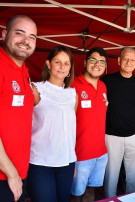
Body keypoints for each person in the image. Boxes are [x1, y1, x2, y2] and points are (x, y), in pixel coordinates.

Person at [27, 45, 77, 202]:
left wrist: (72, 160)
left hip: (67, 163)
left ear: (70, 69)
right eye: (57, 62)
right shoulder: (35, 89)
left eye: (66, 63)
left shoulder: (73, 94)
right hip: (40, 163)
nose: (62, 67)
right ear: (48, 64)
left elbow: (68, 129)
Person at [101, 47, 135, 198]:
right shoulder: (107, 81)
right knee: (111, 176)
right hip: (111, 136)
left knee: (134, 176)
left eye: (132, 60)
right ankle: (110, 200)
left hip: (134, 136)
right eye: (126, 59)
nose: (129, 62)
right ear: (119, 61)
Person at [0, 15, 37, 202]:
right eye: (20, 33)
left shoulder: (24, 70)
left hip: (20, 170)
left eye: (32, 37)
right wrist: (11, 173)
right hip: (5, 175)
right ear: (4, 34)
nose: (26, 41)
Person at [70, 47, 108, 202]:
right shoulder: (73, 85)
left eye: (101, 62)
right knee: (75, 195)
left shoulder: (104, 87)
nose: (96, 65)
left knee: (91, 191)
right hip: (80, 155)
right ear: (85, 62)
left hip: (100, 153)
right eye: (93, 60)